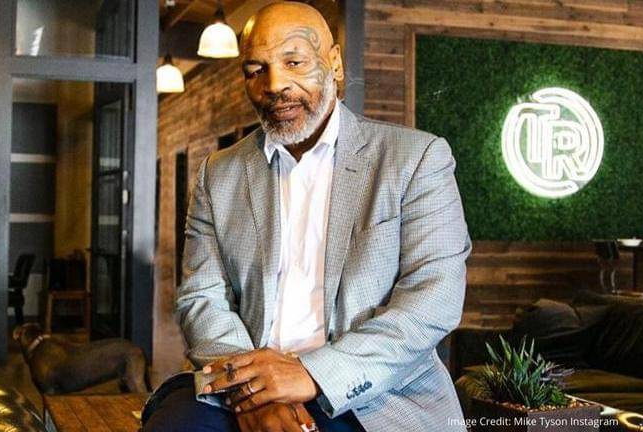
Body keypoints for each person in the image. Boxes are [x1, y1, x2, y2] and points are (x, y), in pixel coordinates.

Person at [144, 2, 471, 431]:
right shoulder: (218, 173)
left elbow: (434, 299)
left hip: (376, 396)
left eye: (294, 62)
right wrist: (252, 393)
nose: (275, 84)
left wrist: (312, 374)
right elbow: (201, 297)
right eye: (255, 70)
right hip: (240, 386)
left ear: (334, 63)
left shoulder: (416, 158)